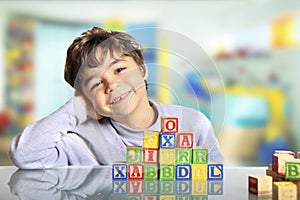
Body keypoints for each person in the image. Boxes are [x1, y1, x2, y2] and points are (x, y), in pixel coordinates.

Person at [9, 27, 224, 169]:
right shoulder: (80, 140)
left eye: (120, 69)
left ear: (142, 70)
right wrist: (77, 108)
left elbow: (217, 180)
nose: (112, 85)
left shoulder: (193, 124)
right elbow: (25, 155)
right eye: (96, 84)